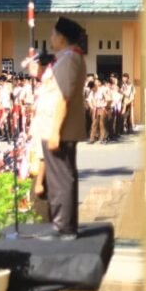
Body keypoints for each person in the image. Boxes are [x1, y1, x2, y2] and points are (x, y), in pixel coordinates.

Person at [34, 17, 89, 240]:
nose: (51, 38)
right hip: (52, 127)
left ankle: (64, 228)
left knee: (61, 179)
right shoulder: (64, 59)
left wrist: (56, 130)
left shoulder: (69, 59)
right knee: (60, 178)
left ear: (62, 37)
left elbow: (63, 98)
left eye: (54, 34)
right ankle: (62, 226)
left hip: (60, 130)